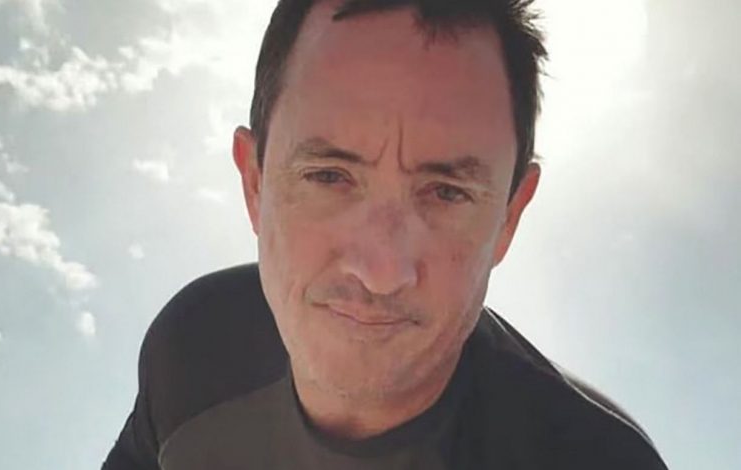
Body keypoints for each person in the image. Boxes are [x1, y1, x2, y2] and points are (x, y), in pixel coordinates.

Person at [103, 0, 669, 468]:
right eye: (329, 176)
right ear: (254, 184)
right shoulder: (194, 352)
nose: (381, 271)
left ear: (510, 217)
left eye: (447, 192)